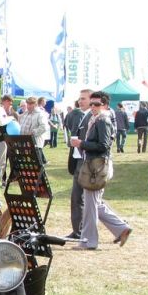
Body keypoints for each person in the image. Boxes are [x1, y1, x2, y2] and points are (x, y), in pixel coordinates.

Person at [69, 91, 132, 250]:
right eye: (92, 104)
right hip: (94, 166)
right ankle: (121, 228)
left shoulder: (103, 120)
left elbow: (103, 146)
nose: (93, 107)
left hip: (97, 167)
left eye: (96, 104)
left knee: (91, 206)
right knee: (94, 204)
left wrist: (81, 144)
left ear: (104, 105)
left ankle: (88, 241)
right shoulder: (95, 119)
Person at [65, 89, 92, 239]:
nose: (80, 101)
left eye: (83, 99)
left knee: (87, 198)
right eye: (79, 98)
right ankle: (77, 230)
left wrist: (81, 143)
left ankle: (120, 226)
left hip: (87, 161)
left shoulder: (94, 117)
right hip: (77, 159)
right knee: (78, 197)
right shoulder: (79, 115)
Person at [0, 94, 18, 180]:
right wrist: (11, 118)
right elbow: (1, 122)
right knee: (1, 162)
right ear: (6, 101)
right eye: (10, 103)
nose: (10, 106)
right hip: (0, 139)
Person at [19, 96, 48, 163]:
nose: (28, 106)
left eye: (30, 104)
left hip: (35, 144)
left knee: (38, 165)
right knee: (27, 165)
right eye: (28, 104)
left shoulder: (40, 114)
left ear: (35, 104)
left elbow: (44, 127)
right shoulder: (25, 113)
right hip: (24, 143)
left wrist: (33, 132)